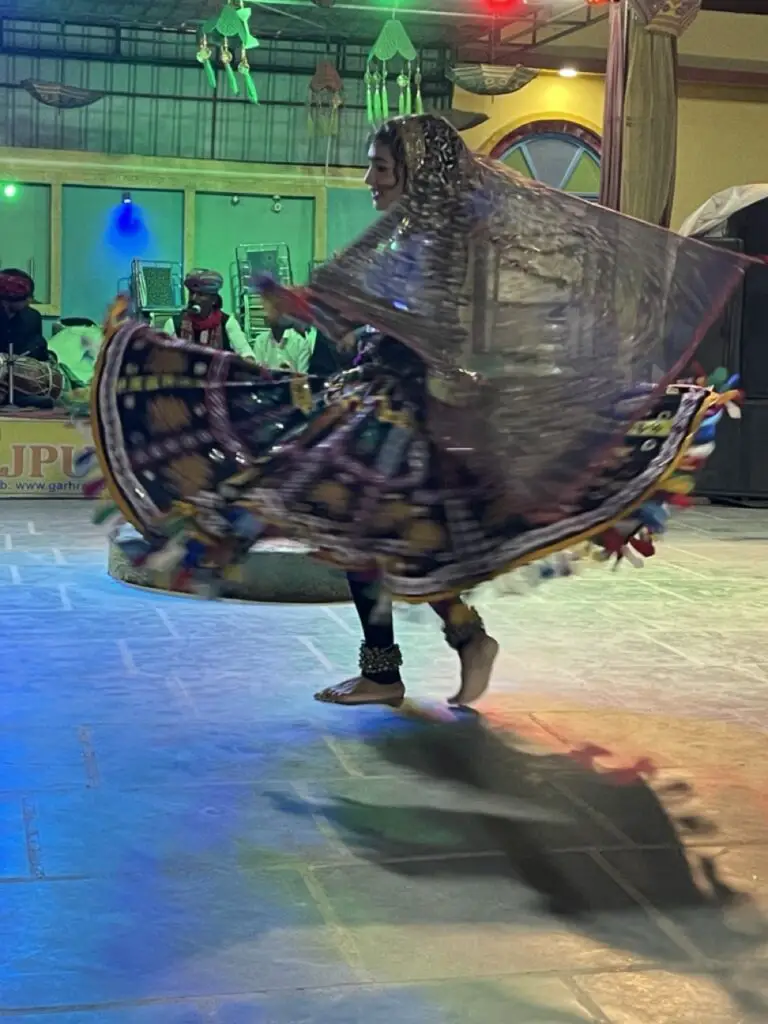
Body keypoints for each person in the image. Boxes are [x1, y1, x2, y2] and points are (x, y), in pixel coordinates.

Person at [88, 115, 747, 709]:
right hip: (375, 392)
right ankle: (443, 644)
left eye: (380, 166)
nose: (369, 179)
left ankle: (399, 665)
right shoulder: (413, 234)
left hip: (409, 406)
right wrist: (320, 308)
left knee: (364, 530)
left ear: (413, 170)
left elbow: (436, 327)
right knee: (375, 534)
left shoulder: (447, 240)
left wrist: (323, 306)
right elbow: (365, 314)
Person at [250, 293, 342, 387]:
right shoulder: (260, 341)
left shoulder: (304, 340)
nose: (264, 314)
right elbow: (259, 374)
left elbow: (303, 380)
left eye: (267, 309)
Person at [162, 269, 254, 359]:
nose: (193, 298)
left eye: (201, 294)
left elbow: (246, 353)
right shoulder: (174, 324)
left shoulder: (227, 322)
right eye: (191, 293)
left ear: (213, 300)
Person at [0, 269, 49, 362]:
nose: (29, 301)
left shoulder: (33, 317)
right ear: (5, 300)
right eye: (25, 297)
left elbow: (40, 354)